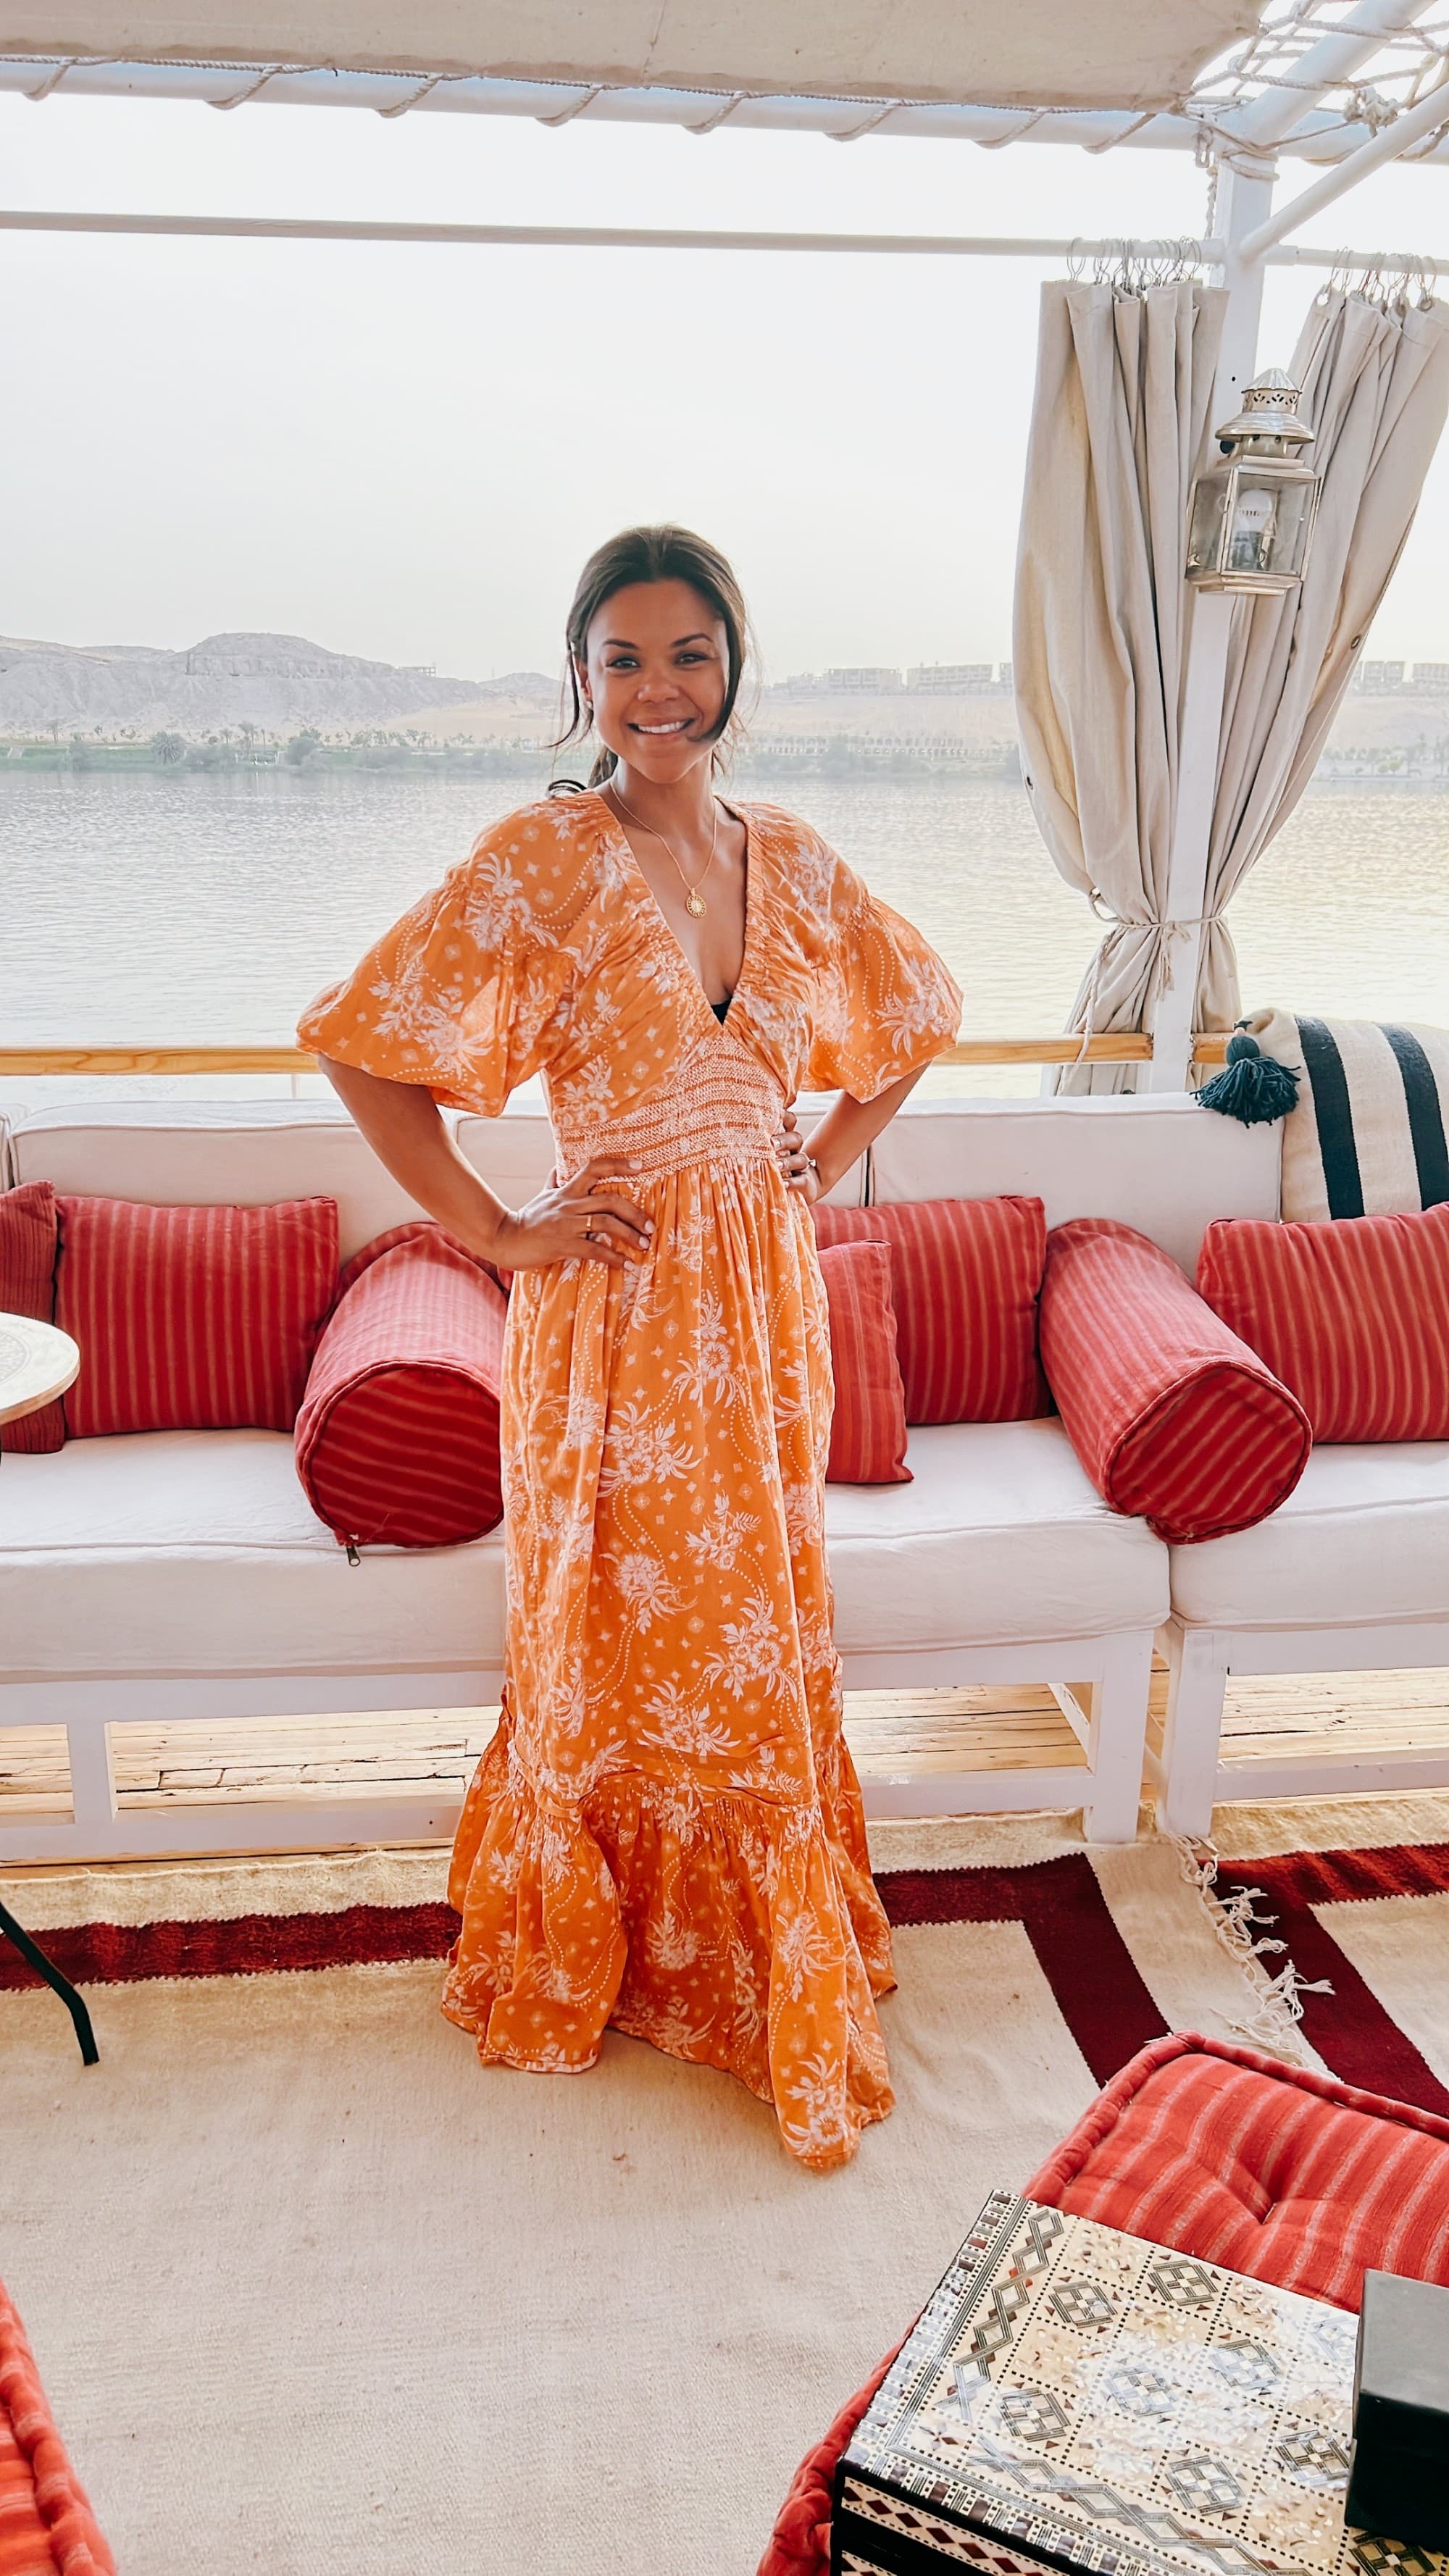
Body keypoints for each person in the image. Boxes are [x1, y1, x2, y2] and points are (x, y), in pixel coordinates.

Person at [299, 525, 961, 2169]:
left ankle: (755, 1958)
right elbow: (366, 1050)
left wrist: (820, 1142)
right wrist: (497, 1231)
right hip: (615, 1319)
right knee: (616, 1635)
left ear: (735, 662)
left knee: (754, 1632)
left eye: (687, 652)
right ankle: (613, 1952)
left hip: (762, 1311)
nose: (657, 690)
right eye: (623, 658)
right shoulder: (540, 859)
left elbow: (922, 1005)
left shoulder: (794, 858)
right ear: (580, 676)